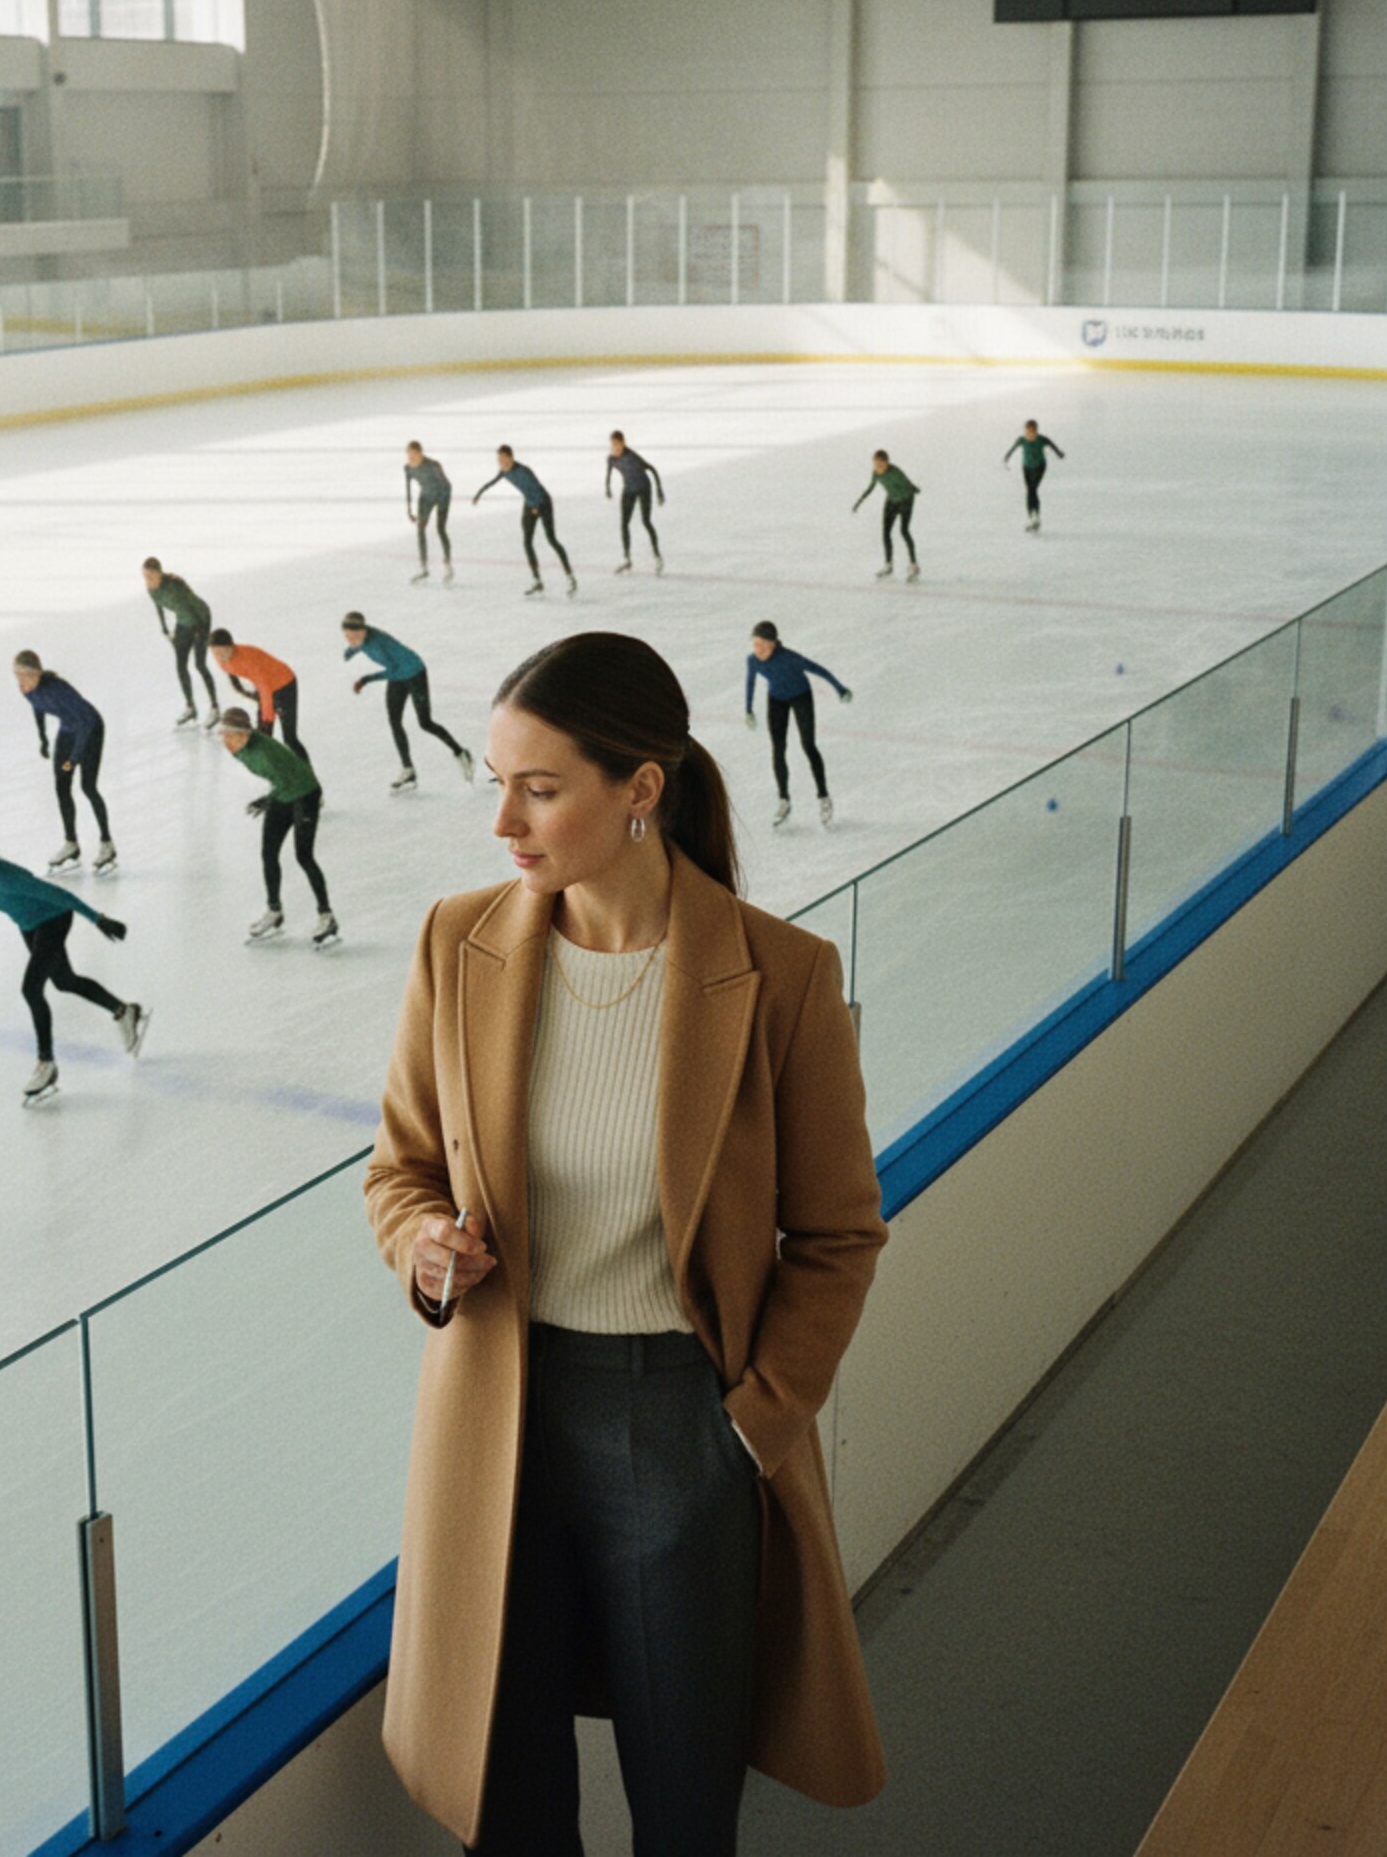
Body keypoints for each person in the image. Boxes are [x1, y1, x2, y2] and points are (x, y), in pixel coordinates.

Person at [362, 630, 888, 1856]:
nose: (504, 819)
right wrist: (423, 1244)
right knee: (507, 1794)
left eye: (538, 788)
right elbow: (398, 1167)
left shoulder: (780, 975)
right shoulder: (458, 941)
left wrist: (748, 1426)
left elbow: (836, 1231)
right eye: (495, 780)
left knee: (683, 1794)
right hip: (494, 1412)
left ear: (639, 788)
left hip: (678, 1426)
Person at [0, 827, 149, 1107]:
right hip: (29, 926)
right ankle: (125, 1011)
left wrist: (98, 919)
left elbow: (58, 895)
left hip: (54, 918)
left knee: (31, 989)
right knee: (64, 981)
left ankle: (46, 1064)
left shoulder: (2, 876)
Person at [218, 706, 338, 947]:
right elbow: (279, 782)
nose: (225, 741)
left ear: (244, 735)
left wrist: (266, 800)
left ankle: (327, 916)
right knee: (268, 854)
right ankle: (274, 911)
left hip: (304, 794)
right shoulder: (238, 749)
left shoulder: (265, 753)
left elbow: (285, 779)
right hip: (282, 794)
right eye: (223, 735)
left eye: (229, 736)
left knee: (304, 856)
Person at [342, 611, 475, 792]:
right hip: (398, 674)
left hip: (414, 673)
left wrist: (366, 679)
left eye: (356, 635)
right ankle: (408, 769)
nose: (353, 639)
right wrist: (350, 651)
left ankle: (461, 752)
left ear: (365, 631)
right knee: (394, 722)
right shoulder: (361, 639)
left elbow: (392, 669)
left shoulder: (377, 643)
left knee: (425, 722)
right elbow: (359, 646)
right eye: (348, 636)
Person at [13, 651, 115, 874]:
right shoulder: (28, 689)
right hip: (68, 730)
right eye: (17, 677)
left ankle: (107, 843)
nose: (20, 683)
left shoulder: (59, 689)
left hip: (90, 729)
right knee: (61, 787)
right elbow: (37, 707)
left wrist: (72, 760)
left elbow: (85, 723)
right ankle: (71, 843)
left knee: (87, 786)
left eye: (24, 677)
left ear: (36, 674)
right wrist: (43, 737)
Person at [744, 621, 852, 828]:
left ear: (773, 644)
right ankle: (784, 800)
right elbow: (751, 682)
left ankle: (823, 797)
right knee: (778, 749)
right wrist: (748, 709)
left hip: (801, 697)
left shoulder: (790, 658)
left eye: (762, 645)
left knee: (808, 746)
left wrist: (840, 689)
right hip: (776, 701)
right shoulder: (753, 661)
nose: (758, 650)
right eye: (755, 644)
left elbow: (818, 669)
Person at [474, 445, 577, 598]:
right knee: (527, 542)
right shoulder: (504, 472)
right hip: (529, 504)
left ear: (510, 457)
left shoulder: (523, 471)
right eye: (499, 460)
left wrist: (536, 507)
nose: (500, 462)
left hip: (543, 503)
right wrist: (478, 494)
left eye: (503, 459)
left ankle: (570, 577)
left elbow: (535, 488)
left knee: (551, 539)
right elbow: (492, 482)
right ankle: (537, 581)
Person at [143, 558, 221, 729]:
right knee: (180, 665)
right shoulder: (151, 589)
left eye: (150, 576)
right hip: (184, 620)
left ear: (159, 574)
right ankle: (190, 707)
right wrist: (164, 628)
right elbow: (158, 606)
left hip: (200, 617)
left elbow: (193, 606)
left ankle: (215, 708)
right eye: (145, 576)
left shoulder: (174, 587)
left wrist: (201, 631)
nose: (147, 581)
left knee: (200, 664)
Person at [210, 630, 307, 761]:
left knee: (289, 739)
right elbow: (234, 675)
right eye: (216, 653)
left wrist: (267, 718)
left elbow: (264, 688)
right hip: (265, 686)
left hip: (285, 684)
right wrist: (241, 690)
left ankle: (307, 773)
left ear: (232, 647)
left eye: (223, 652)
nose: (220, 657)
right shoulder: (221, 659)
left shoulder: (248, 661)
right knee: (263, 737)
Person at [851, 451, 922, 582]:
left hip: (906, 500)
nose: (878, 467)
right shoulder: (876, 473)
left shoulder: (895, 472)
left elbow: (907, 483)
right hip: (891, 501)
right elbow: (870, 488)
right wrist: (859, 501)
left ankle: (914, 565)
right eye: (875, 463)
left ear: (887, 462)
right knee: (885, 533)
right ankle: (888, 564)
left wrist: (914, 489)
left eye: (881, 464)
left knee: (904, 531)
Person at [605, 431, 665, 576]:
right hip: (629, 490)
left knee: (646, 521)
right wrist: (607, 487)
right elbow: (608, 473)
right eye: (613, 444)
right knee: (624, 523)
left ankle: (657, 555)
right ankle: (627, 559)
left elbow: (652, 469)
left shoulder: (632, 457)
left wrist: (659, 490)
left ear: (623, 443)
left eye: (617, 444)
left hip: (644, 488)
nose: (615, 447)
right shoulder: (611, 459)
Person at [405, 440, 455, 585]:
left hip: (442, 495)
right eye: (409, 456)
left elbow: (447, 485)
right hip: (425, 497)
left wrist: (442, 505)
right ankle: (423, 567)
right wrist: (409, 509)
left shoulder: (433, 465)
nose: (412, 459)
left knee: (440, 528)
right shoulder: (408, 468)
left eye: (414, 455)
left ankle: (448, 565)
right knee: (420, 529)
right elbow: (408, 488)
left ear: (421, 453)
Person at [1002, 420, 1066, 534]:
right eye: (1029, 431)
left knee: (1033, 489)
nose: (1031, 433)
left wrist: (1059, 453)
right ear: (1025, 431)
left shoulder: (1041, 439)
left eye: (1033, 431)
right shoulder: (1021, 440)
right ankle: (1032, 518)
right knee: (1030, 491)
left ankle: (1036, 517)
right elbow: (1011, 450)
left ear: (1037, 430)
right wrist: (1006, 457)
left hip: (1040, 467)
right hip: (1026, 468)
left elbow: (1052, 444)